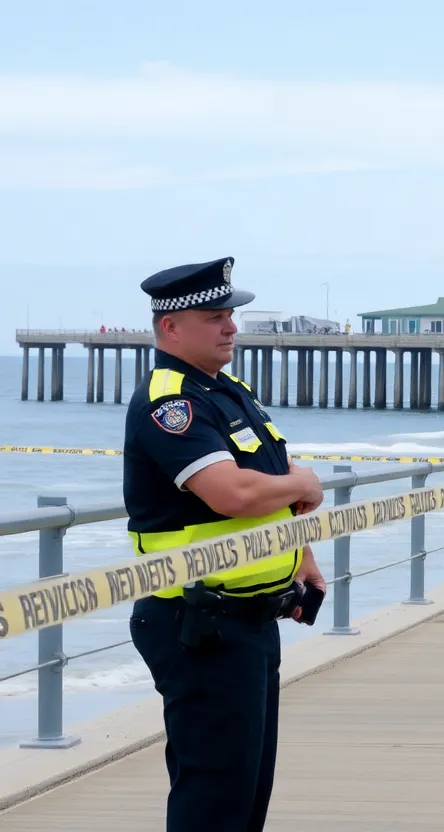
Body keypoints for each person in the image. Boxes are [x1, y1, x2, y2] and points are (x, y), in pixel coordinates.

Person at [124, 257, 327, 831]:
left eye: (231, 316)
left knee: (246, 790)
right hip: (198, 624)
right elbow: (232, 493)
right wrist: (306, 484)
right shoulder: (171, 404)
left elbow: (270, 478)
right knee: (213, 797)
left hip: (252, 620)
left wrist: (302, 555)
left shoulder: (227, 391)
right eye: (215, 317)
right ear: (171, 328)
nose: (231, 327)